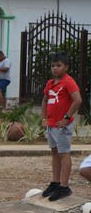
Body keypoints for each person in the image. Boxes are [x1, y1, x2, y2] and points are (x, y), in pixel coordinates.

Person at [40, 52, 82, 202]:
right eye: (53, 66)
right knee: (54, 152)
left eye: (58, 65)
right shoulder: (50, 83)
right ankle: (55, 182)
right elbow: (45, 100)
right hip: (51, 124)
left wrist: (66, 118)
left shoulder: (68, 81)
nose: (55, 68)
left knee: (64, 153)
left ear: (66, 67)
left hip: (62, 125)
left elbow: (77, 100)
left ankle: (64, 186)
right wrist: (44, 119)